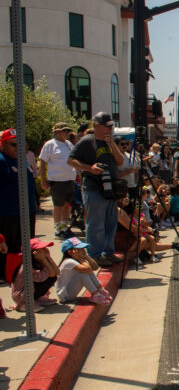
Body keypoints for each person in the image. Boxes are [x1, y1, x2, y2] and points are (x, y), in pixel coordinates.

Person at [67, 112, 125, 267]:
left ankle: (108, 252)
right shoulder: (87, 141)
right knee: (96, 224)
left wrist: (112, 144)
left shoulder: (110, 142)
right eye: (107, 126)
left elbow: (120, 161)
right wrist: (89, 168)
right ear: (97, 126)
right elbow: (71, 160)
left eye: (111, 126)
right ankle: (94, 255)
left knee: (110, 223)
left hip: (110, 188)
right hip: (93, 187)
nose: (110, 129)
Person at [0, 128, 37, 276]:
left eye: (20, 145)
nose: (17, 148)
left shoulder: (22, 160)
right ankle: (5, 274)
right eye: (13, 145)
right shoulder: (1, 161)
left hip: (26, 212)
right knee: (8, 248)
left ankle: (20, 272)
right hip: (7, 214)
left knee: (25, 246)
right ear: (2, 145)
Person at [38, 122, 76, 239]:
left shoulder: (69, 144)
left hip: (70, 180)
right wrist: (43, 180)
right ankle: (58, 229)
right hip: (57, 181)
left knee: (66, 205)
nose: (67, 133)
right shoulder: (50, 144)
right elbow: (42, 163)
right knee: (58, 205)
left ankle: (64, 228)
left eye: (68, 131)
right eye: (64, 131)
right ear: (57, 132)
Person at [7, 238, 59, 312]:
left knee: (52, 278)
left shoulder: (38, 261)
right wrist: (44, 259)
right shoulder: (28, 266)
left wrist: (48, 257)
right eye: (42, 248)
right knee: (49, 277)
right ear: (34, 252)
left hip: (28, 292)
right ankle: (24, 304)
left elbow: (56, 272)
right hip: (21, 295)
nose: (45, 249)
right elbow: (51, 274)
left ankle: (37, 298)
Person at [55, 237, 111, 305]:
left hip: (69, 291)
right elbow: (87, 269)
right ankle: (95, 295)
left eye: (82, 249)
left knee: (88, 271)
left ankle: (100, 290)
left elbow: (95, 267)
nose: (82, 251)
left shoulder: (77, 260)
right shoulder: (69, 261)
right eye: (79, 249)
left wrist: (86, 256)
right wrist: (82, 259)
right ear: (70, 252)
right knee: (83, 275)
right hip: (65, 295)